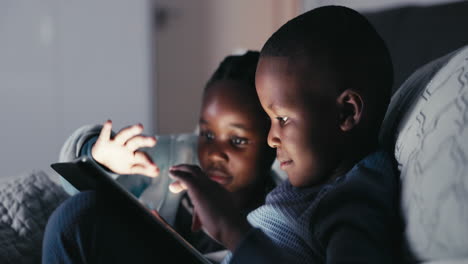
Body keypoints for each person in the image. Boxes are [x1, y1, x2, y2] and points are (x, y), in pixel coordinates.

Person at [168, 6, 402, 264]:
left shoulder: (354, 203)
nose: (271, 138)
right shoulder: (318, 185)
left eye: (282, 119)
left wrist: (230, 229)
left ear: (346, 112)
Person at [42, 51, 277, 263]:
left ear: (274, 139)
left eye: (237, 141)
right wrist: (100, 158)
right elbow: (75, 188)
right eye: (207, 134)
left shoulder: (281, 213)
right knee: (76, 213)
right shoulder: (172, 161)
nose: (214, 154)